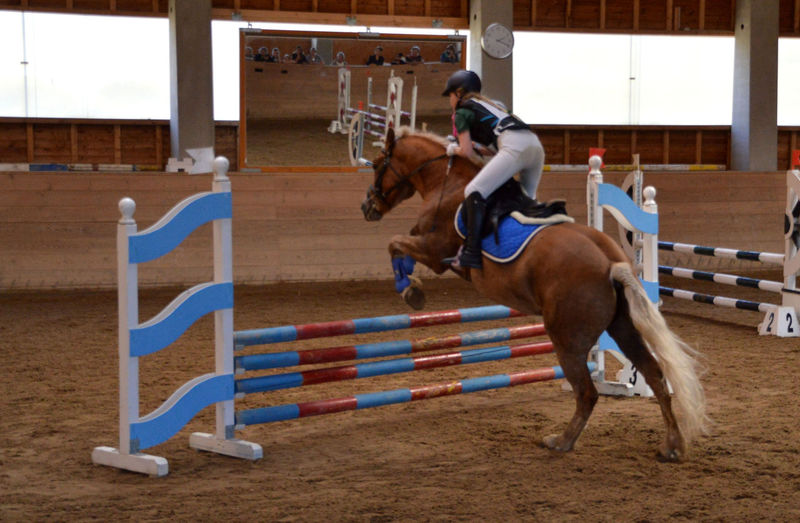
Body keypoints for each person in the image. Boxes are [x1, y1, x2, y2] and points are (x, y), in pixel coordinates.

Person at [442, 70, 545, 270]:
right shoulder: (493, 105)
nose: (450, 100)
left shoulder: (461, 112)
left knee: (473, 190)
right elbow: (494, 147)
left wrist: (451, 148)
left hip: (514, 145)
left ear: (459, 93)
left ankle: (471, 253)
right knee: (528, 200)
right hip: (535, 145)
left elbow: (465, 152)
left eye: (450, 95)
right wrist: (477, 147)